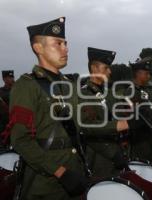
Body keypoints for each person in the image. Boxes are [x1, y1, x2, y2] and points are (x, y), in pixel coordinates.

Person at [3, 17, 88, 200]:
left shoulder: (69, 85)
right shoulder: (26, 86)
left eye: (65, 43)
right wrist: (59, 172)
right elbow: (21, 140)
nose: (65, 48)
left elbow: (82, 124)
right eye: (58, 43)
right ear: (38, 48)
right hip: (45, 183)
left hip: (75, 172)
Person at [80, 47, 129, 178]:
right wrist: (112, 153)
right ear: (94, 68)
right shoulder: (84, 94)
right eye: (106, 68)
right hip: (99, 157)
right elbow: (89, 128)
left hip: (117, 147)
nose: (109, 71)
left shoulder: (108, 92)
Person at [124, 59, 152, 162]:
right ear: (138, 74)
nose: (149, 76)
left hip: (150, 133)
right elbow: (130, 117)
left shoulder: (144, 90)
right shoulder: (131, 91)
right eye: (146, 74)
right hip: (139, 139)